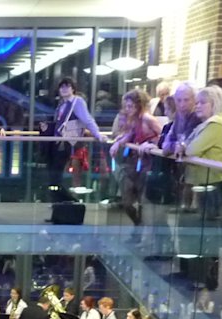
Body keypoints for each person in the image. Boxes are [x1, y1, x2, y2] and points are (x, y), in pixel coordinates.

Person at [109, 89, 161, 229]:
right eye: (126, 106)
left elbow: (162, 136)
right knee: (127, 201)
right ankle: (138, 226)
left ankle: (141, 231)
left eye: (131, 106)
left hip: (147, 164)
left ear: (139, 105)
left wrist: (150, 144)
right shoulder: (134, 119)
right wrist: (118, 143)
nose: (128, 109)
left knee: (142, 201)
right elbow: (130, 133)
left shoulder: (147, 118)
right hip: (134, 162)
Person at [50, 77, 104, 193]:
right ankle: (58, 197)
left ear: (73, 89)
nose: (64, 89)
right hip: (61, 141)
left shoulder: (77, 101)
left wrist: (97, 133)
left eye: (67, 86)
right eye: (62, 87)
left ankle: (62, 197)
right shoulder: (62, 104)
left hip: (70, 142)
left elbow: (87, 119)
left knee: (62, 172)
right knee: (57, 172)